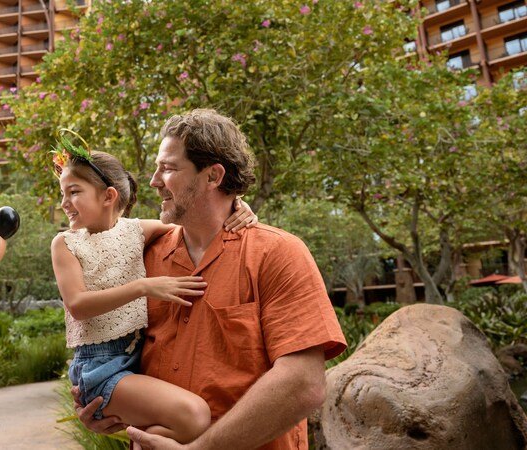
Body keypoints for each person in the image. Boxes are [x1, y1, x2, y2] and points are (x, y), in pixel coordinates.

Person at [74, 109, 347, 450]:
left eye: (169, 168)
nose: (154, 181)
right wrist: (104, 405)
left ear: (213, 176)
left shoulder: (277, 253)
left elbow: (303, 385)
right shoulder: (144, 256)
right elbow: (112, 349)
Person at [51, 135, 257, 444]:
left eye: (74, 192)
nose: (64, 202)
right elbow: (78, 305)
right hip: (99, 366)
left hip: (135, 360)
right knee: (194, 416)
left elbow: (199, 220)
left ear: (108, 196)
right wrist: (144, 287)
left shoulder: (137, 231)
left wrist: (239, 207)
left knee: (189, 423)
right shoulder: (65, 243)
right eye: (62, 193)